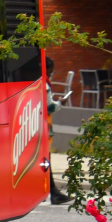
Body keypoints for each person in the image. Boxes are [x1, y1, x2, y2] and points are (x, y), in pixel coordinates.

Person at [46, 56, 68, 205]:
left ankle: (53, 191)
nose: (51, 75)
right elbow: (49, 107)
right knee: (45, 161)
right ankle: (53, 192)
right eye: (51, 72)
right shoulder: (45, 85)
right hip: (44, 128)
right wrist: (60, 103)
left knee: (45, 161)